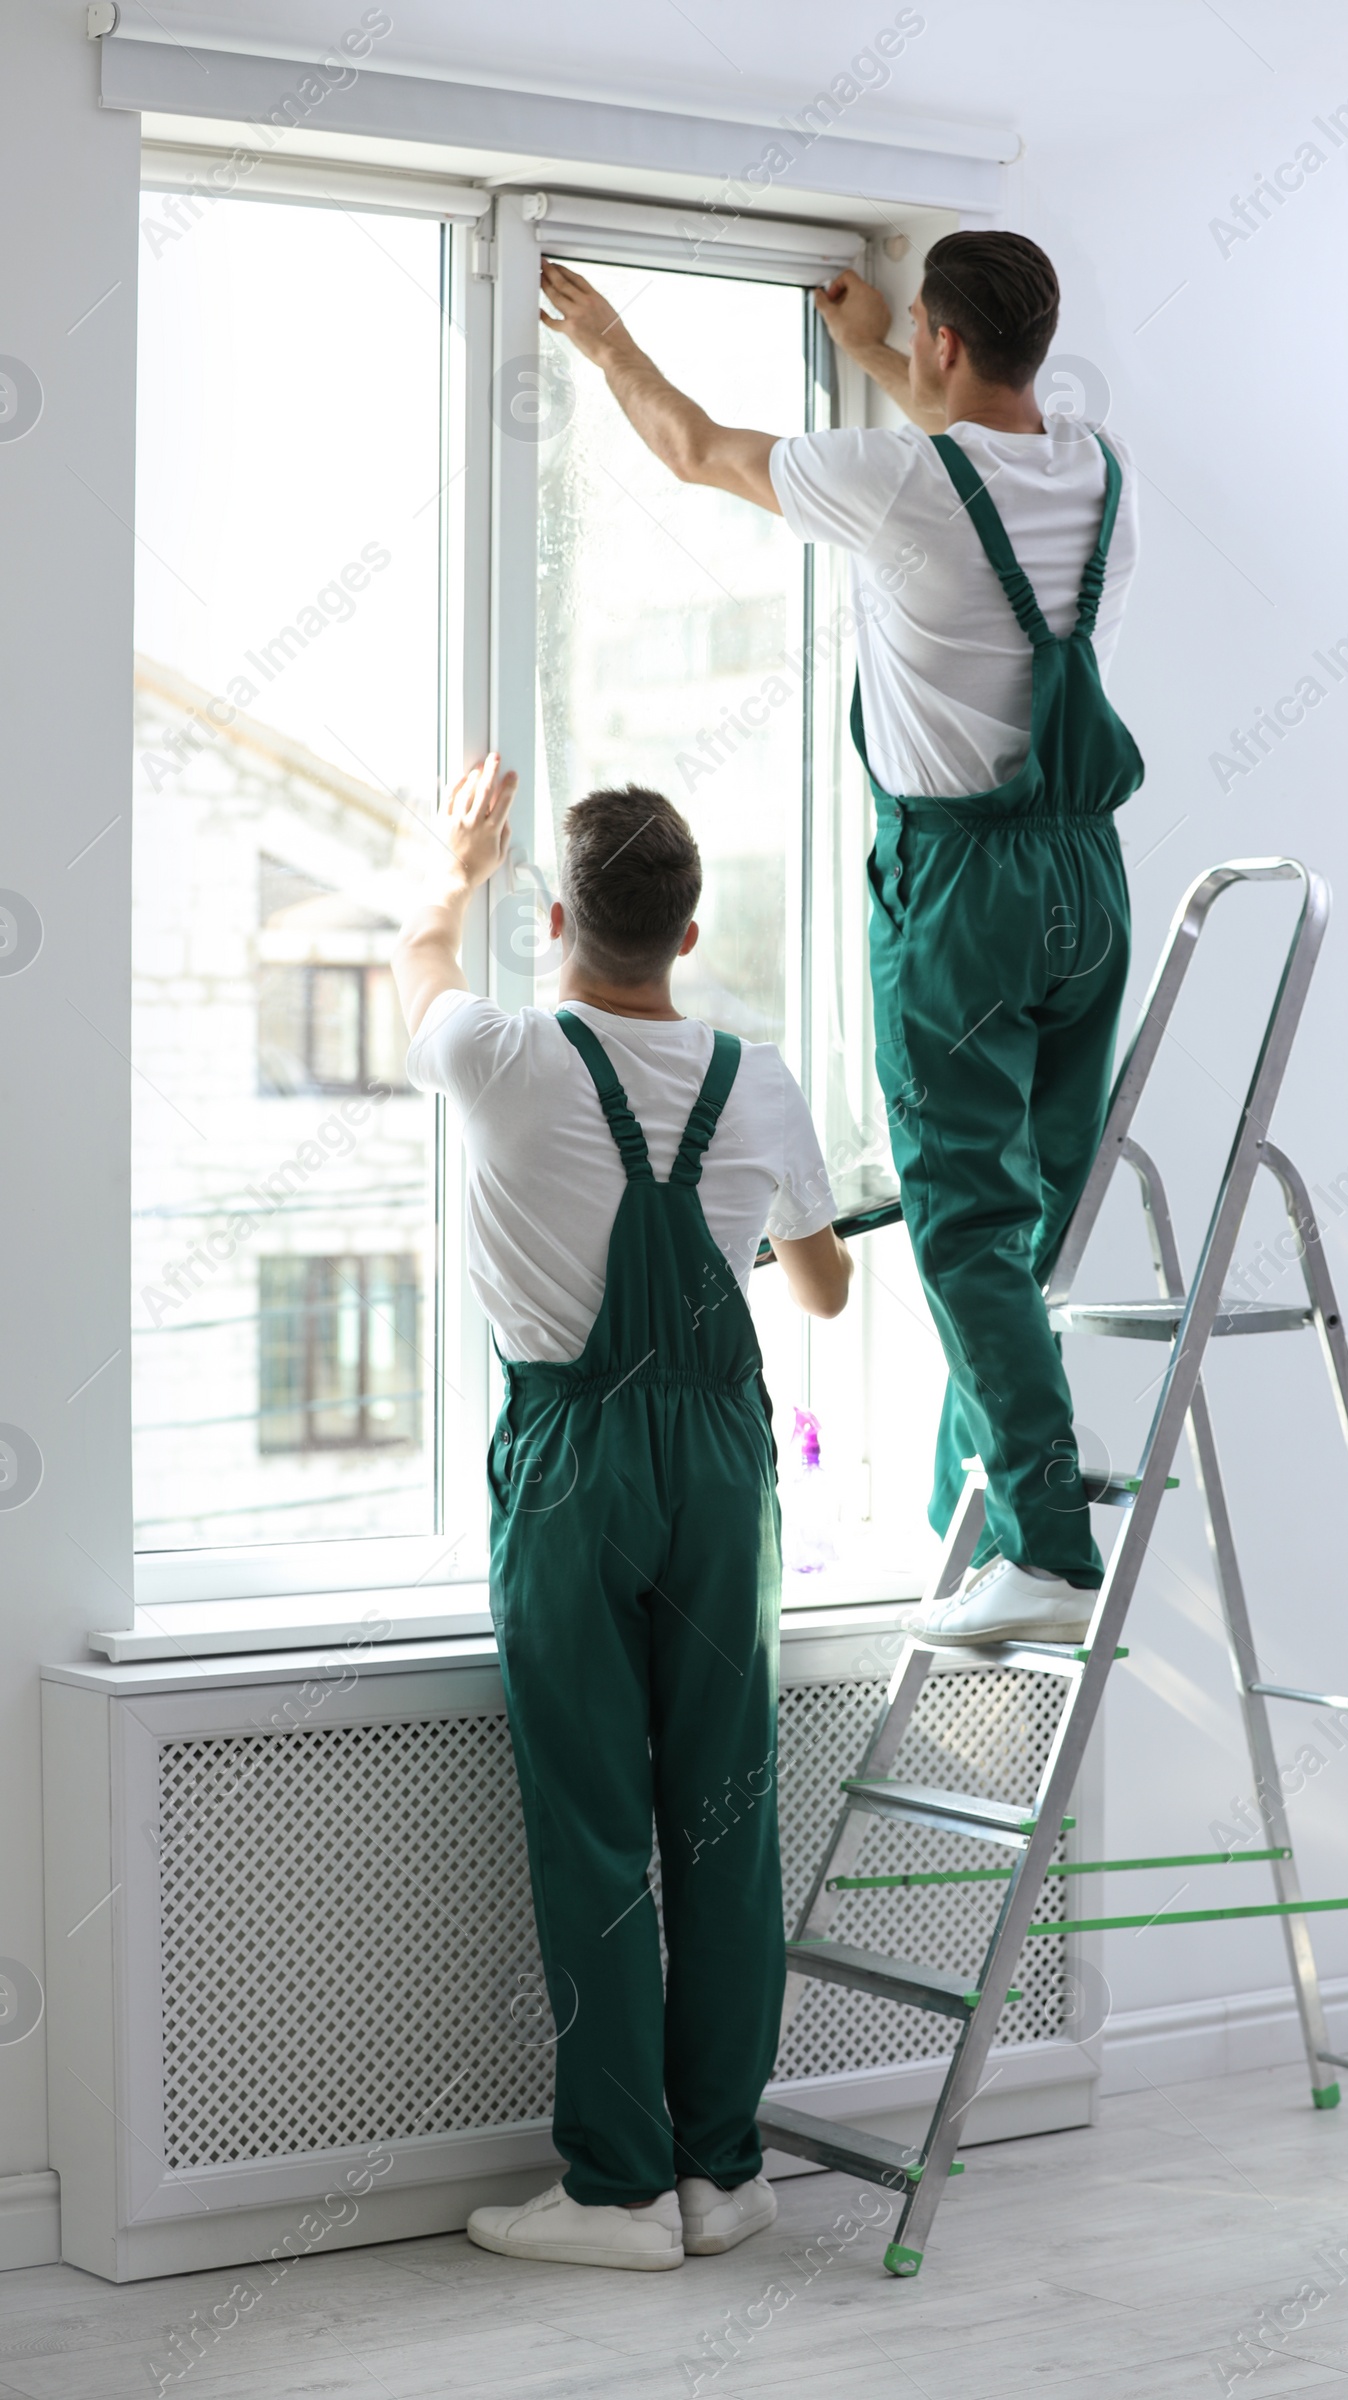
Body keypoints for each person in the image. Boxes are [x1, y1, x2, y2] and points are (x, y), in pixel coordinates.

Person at [538, 230, 1142, 1650]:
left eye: (918, 337)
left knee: (963, 1219)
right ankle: (984, 1502)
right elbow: (968, 428)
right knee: (1034, 1218)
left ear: (942, 338)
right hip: (1088, 880)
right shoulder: (1099, 471)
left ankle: (1045, 1549)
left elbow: (692, 448)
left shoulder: (890, 484)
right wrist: (881, 345)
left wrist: (609, 340)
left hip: (962, 893)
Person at [392, 763, 852, 2271]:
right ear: (693, 928)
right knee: (724, 1809)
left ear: (559, 918)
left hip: (575, 1464)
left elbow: (417, 960)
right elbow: (825, 1282)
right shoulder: (760, 1078)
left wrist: (455, 867)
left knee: (596, 1826)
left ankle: (617, 2193)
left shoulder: (502, 1055)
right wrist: (784, 1233)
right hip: (721, 1465)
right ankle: (725, 2172)